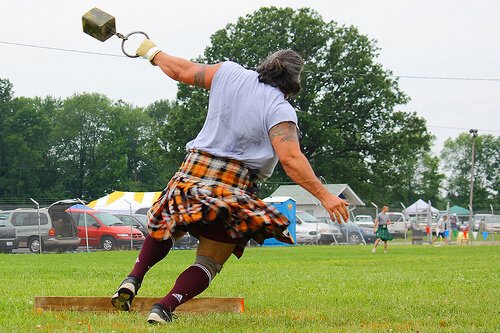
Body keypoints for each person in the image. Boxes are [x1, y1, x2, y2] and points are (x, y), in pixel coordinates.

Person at [110, 39, 350, 325]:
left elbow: (182, 70)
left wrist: (149, 51)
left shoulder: (229, 73)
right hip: (234, 186)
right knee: (209, 261)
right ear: (293, 83)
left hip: (193, 171)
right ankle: (163, 307)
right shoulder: (279, 108)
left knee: (166, 228)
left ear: (267, 64)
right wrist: (325, 196)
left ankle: (133, 278)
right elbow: (291, 160)